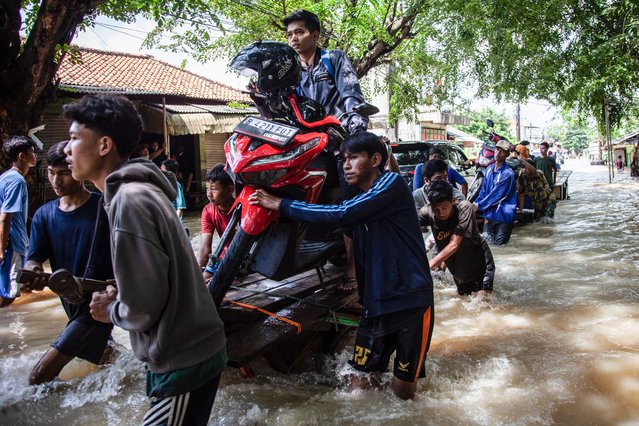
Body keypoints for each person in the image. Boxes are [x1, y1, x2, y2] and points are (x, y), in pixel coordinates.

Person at [63, 94, 226, 425]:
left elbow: (143, 306)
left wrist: (109, 310)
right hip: (183, 353)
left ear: (104, 144)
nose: (67, 150)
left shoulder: (129, 200)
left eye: (74, 138)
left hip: (184, 358)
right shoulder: (136, 193)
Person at [249, 131, 434, 400]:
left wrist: (282, 204)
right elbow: (338, 220)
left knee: (403, 390)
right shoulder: (357, 201)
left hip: (411, 302)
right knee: (360, 380)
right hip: (377, 305)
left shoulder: (391, 184)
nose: (346, 165)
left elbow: (342, 213)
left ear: (375, 160)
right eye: (343, 159)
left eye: (354, 158)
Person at [283, 9, 369, 293]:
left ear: (315, 35)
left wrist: (354, 125)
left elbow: (351, 95)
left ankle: (354, 269)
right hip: (308, 146)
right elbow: (283, 109)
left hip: (339, 142)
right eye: (290, 34)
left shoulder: (334, 59)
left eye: (300, 32)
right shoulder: (290, 71)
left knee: (349, 204)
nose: (294, 39)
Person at [21, 141, 114, 385]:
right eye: (51, 173)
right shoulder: (44, 214)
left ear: (79, 169)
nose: (55, 180)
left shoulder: (105, 207)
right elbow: (34, 258)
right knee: (104, 358)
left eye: (63, 173)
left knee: (38, 376)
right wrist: (34, 271)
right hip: (70, 301)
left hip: (98, 302)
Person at [418, 180, 494, 300]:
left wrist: (428, 265)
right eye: (436, 209)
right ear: (430, 205)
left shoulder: (464, 208)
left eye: (444, 207)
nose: (441, 212)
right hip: (458, 269)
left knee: (482, 305)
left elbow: (454, 244)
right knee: (463, 303)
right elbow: (407, 229)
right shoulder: (426, 211)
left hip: (480, 264)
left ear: (453, 201)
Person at [0, 135, 38, 307]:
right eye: (32, 152)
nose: (35, 155)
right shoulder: (17, 181)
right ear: (22, 156)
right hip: (12, 243)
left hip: (10, 242)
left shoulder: (5, 177)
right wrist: (1, 249)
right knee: (9, 293)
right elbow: (5, 217)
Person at [474, 140, 517, 245]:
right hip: (490, 215)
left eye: (502, 151)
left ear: (507, 154)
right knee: (486, 246)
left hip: (504, 216)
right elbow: (483, 192)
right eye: (497, 149)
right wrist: (474, 204)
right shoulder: (489, 169)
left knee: (500, 247)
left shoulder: (508, 174)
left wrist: (478, 206)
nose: (498, 152)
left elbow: (496, 195)